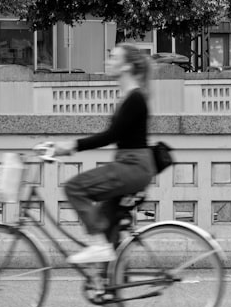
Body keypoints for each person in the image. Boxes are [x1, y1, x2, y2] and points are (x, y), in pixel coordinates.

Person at [49, 44, 157, 264]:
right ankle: (111, 287)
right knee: (107, 225)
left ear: (126, 66)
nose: (108, 61)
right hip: (130, 165)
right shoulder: (128, 96)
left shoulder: (135, 98)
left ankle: (98, 246)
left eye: (113, 58)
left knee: (74, 187)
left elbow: (111, 136)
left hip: (133, 167)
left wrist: (70, 146)